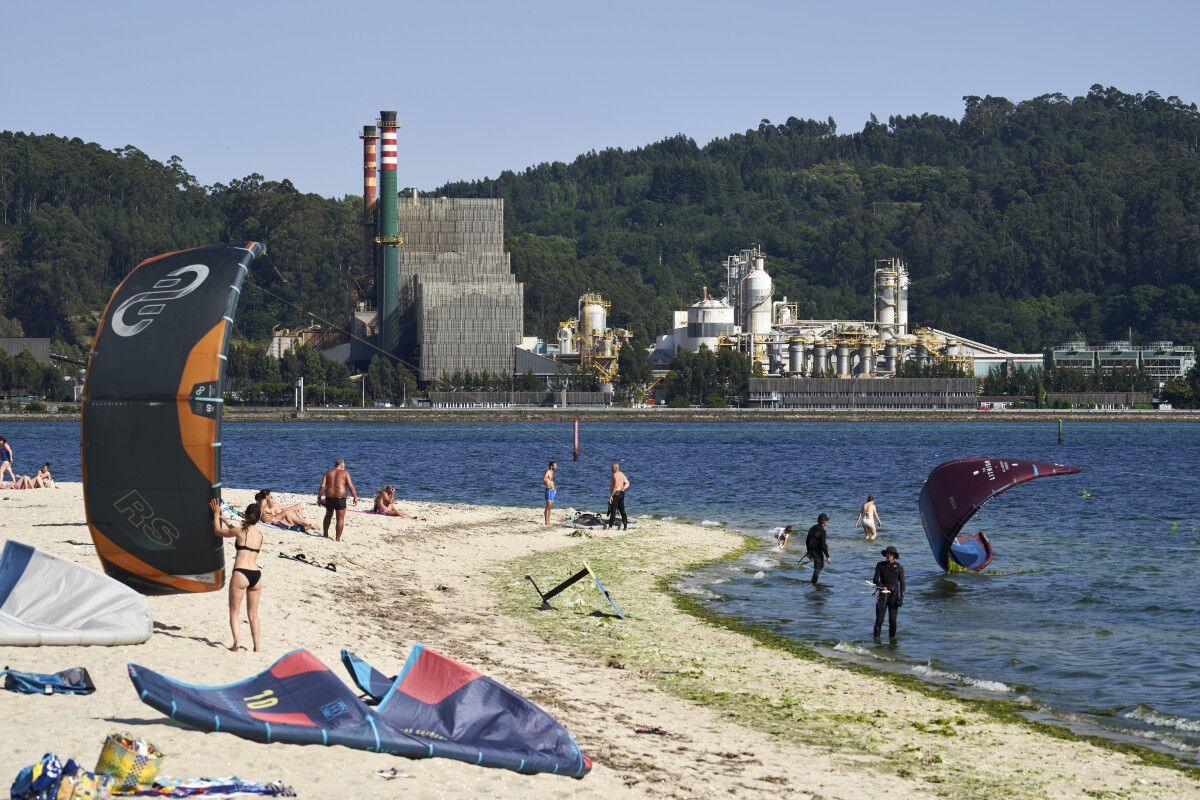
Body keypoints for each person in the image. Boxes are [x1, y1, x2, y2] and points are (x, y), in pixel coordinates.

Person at [210, 499, 264, 652]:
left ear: (246, 515)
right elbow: (239, 530)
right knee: (253, 614)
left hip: (241, 573)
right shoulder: (260, 536)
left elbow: (217, 531)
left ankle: (236, 643)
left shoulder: (240, 532)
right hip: (256, 575)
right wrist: (225, 519)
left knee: (234, 611)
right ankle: (257, 647)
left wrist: (215, 515)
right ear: (258, 518)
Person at [317, 459, 358, 542]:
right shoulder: (345, 473)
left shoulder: (328, 473)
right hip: (340, 499)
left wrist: (319, 498)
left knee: (328, 515)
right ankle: (337, 538)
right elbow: (351, 486)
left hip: (329, 498)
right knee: (340, 518)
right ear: (342, 465)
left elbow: (322, 486)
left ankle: (325, 534)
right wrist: (355, 497)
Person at [872, 545, 906, 639]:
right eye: (888, 553)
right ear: (885, 554)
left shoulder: (899, 567)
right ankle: (876, 641)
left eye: (891, 554)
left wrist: (901, 598)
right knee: (879, 621)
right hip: (882, 595)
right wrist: (882, 587)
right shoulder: (880, 565)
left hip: (894, 597)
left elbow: (902, 584)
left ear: (894, 555)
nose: (889, 555)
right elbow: (875, 579)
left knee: (892, 621)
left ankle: (892, 641)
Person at [805, 513, 831, 584]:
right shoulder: (822, 531)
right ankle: (813, 583)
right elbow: (823, 545)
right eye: (826, 520)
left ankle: (813, 581)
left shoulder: (812, 527)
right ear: (824, 521)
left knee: (819, 565)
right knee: (818, 567)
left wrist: (808, 551)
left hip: (811, 550)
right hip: (817, 551)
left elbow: (807, 540)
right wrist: (828, 556)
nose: (827, 522)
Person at [606, 462, 630, 530]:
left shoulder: (615, 475)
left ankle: (610, 527)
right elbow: (627, 483)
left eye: (612, 468)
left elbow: (616, 486)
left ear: (615, 468)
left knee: (613, 511)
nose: (611, 469)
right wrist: (623, 488)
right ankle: (625, 527)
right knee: (622, 510)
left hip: (616, 494)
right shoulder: (621, 474)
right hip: (622, 493)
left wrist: (611, 496)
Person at [543, 461, 557, 526]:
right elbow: (544, 479)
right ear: (551, 466)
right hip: (549, 490)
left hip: (552, 491)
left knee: (550, 506)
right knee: (548, 506)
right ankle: (547, 521)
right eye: (555, 466)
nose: (556, 467)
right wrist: (547, 485)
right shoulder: (548, 472)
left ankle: (548, 521)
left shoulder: (552, 472)